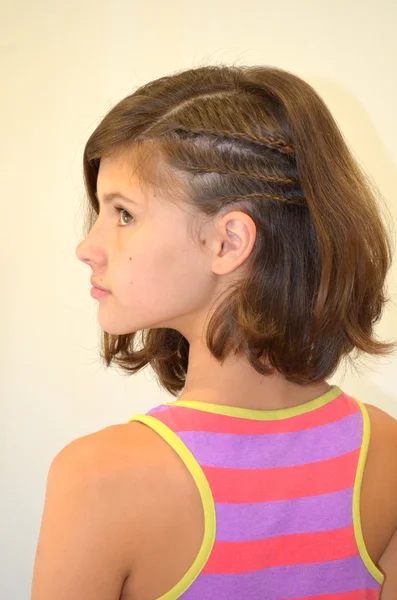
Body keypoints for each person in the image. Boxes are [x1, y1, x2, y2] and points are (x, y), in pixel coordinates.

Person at [31, 64, 397, 599]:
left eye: (124, 214)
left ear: (228, 241)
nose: (88, 247)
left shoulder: (98, 479)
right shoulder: (384, 451)